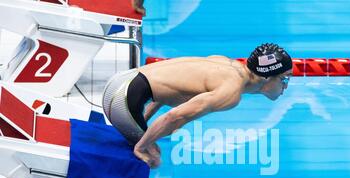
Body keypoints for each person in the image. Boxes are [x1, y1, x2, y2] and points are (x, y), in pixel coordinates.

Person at [102, 43, 293, 168]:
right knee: (153, 159)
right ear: (267, 76)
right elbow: (174, 117)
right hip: (122, 99)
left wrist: (142, 123)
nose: (285, 87)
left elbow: (171, 87)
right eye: (285, 79)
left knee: (150, 141)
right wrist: (142, 146)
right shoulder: (230, 92)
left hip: (123, 81)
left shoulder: (226, 63)